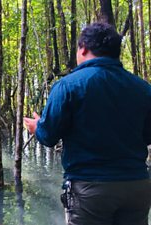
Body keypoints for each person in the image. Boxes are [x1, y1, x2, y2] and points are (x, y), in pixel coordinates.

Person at [24, 23, 151, 225]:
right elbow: (148, 136)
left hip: (90, 189)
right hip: (136, 186)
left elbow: (48, 136)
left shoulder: (68, 85)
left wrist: (37, 126)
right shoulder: (143, 88)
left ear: (83, 48)